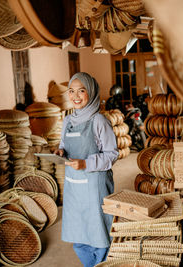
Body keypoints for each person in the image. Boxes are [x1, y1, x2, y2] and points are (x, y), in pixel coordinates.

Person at [55, 72, 118, 267]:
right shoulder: (68, 121)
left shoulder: (99, 121)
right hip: (74, 184)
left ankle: (101, 264)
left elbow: (112, 154)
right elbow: (64, 144)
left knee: (98, 231)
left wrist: (86, 163)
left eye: (81, 91)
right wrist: (60, 150)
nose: (75, 96)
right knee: (78, 230)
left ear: (90, 93)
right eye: (71, 91)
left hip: (94, 185)